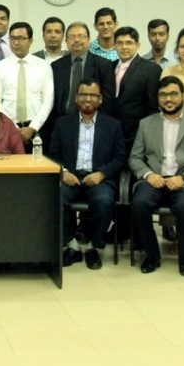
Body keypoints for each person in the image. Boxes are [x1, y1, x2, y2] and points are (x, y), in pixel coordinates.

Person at [129, 76, 184, 276]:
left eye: (173, 94)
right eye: (163, 95)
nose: (168, 99)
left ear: (182, 95)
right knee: (139, 204)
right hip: (154, 180)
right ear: (158, 98)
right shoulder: (146, 123)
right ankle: (151, 255)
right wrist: (149, 175)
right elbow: (135, 157)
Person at [47, 80, 126, 270]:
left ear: (100, 99)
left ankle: (93, 247)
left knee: (104, 201)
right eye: (83, 94)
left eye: (93, 95)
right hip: (71, 177)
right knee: (56, 196)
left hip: (99, 179)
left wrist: (102, 174)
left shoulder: (113, 125)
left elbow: (120, 157)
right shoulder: (63, 123)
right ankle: (72, 245)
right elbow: (52, 155)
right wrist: (64, 172)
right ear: (76, 98)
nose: (88, 99)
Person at [46, 22, 115, 147]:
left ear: (88, 40)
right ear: (66, 41)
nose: (76, 40)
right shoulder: (56, 66)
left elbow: (108, 99)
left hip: (92, 122)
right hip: (63, 123)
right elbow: (53, 100)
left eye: (81, 36)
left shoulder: (103, 65)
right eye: (72, 37)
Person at [0, 21, 54, 146]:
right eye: (12, 39)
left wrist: (33, 127)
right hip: (7, 128)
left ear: (30, 41)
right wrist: (13, 127)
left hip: (37, 129)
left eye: (20, 38)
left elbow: (48, 100)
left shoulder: (44, 66)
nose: (16, 43)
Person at [110, 26, 161, 150]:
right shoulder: (109, 67)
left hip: (137, 135)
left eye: (129, 43)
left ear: (138, 45)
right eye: (120, 43)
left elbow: (153, 107)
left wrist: (146, 134)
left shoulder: (151, 69)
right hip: (111, 134)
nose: (124, 47)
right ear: (114, 45)